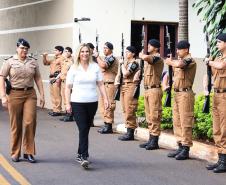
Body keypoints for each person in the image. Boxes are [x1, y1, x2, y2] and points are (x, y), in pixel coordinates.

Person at [0, 38, 45, 163]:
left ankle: (28, 152)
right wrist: (3, 96)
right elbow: (2, 78)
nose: (24, 50)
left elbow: (38, 78)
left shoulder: (33, 62)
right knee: (16, 125)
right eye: (22, 48)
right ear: (17, 48)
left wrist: (42, 95)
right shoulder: (9, 61)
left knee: (30, 122)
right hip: (14, 94)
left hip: (30, 94)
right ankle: (15, 152)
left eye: (26, 48)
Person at [65, 43, 109, 168]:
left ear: (89, 53)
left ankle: (80, 153)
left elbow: (100, 84)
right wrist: (67, 103)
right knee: (83, 128)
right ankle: (84, 156)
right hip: (77, 102)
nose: (84, 54)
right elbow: (68, 87)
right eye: (82, 51)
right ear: (78, 53)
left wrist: (105, 99)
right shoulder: (73, 68)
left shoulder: (95, 67)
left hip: (92, 102)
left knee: (86, 128)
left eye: (87, 51)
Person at [165, 40, 196, 160]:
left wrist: (170, 62)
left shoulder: (190, 60)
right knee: (177, 121)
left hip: (185, 94)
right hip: (177, 93)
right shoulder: (177, 61)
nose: (177, 51)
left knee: (185, 121)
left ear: (186, 50)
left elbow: (180, 65)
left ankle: (186, 148)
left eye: (179, 49)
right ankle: (180, 145)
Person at [205, 33, 226, 173]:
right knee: (217, 128)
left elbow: (221, 66)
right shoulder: (217, 58)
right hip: (216, 95)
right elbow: (211, 73)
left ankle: (224, 161)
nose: (217, 44)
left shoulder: (222, 60)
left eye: (219, 42)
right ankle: (220, 159)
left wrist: (209, 62)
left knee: (224, 128)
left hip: (225, 95)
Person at [138, 39, 164, 149]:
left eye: (150, 45)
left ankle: (155, 141)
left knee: (154, 115)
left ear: (156, 48)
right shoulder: (149, 59)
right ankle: (151, 139)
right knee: (149, 116)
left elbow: (147, 58)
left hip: (154, 90)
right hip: (148, 90)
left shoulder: (157, 58)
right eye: (148, 44)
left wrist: (142, 55)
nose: (148, 46)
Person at [94, 42, 118, 134]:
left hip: (110, 84)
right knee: (103, 105)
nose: (104, 50)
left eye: (106, 48)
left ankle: (109, 125)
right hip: (104, 85)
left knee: (109, 105)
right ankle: (105, 124)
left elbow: (103, 66)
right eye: (103, 48)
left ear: (111, 49)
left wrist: (97, 57)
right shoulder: (105, 59)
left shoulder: (112, 58)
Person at [115, 46, 139, 141]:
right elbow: (120, 74)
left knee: (130, 109)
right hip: (124, 86)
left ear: (133, 53)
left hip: (130, 86)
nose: (126, 53)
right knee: (125, 109)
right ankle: (128, 129)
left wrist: (121, 65)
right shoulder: (125, 63)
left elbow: (126, 74)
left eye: (128, 52)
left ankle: (131, 132)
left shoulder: (134, 63)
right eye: (125, 52)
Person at [42, 46, 64, 116]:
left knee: (57, 94)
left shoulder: (62, 59)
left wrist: (59, 78)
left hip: (56, 78)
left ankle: (58, 110)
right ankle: (55, 109)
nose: (54, 51)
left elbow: (63, 69)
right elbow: (45, 63)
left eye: (56, 50)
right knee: (53, 94)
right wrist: (44, 57)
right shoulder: (54, 59)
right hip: (51, 78)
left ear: (60, 51)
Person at [59, 47, 74, 122]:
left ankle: (70, 115)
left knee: (68, 98)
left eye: (68, 51)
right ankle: (67, 113)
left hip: (68, 82)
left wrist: (65, 58)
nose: (66, 52)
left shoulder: (71, 61)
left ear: (71, 53)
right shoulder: (64, 60)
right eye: (65, 51)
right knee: (64, 97)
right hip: (63, 81)